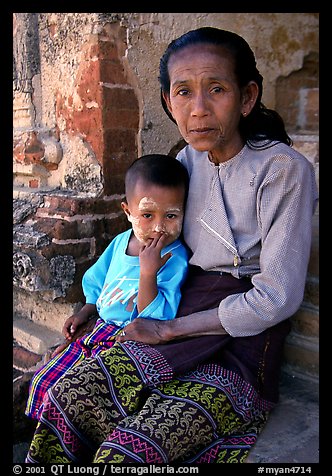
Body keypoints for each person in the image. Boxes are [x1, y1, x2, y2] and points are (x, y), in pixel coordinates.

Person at [25, 26, 318, 464]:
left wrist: (167, 330)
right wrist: (104, 303)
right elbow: (147, 241)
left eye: (216, 89)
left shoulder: (282, 170)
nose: (198, 109)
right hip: (181, 299)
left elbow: (276, 298)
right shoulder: (186, 161)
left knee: (133, 448)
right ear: (168, 102)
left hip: (240, 333)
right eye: (183, 92)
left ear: (248, 96)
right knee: (71, 394)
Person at [25, 153, 190, 421]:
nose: (160, 227)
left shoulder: (175, 257)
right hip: (97, 330)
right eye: (147, 215)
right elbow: (97, 282)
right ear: (128, 212)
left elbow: (156, 317)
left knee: (77, 396)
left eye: (171, 215)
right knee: (45, 379)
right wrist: (84, 312)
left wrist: (148, 272)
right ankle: (42, 433)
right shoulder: (121, 243)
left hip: (131, 342)